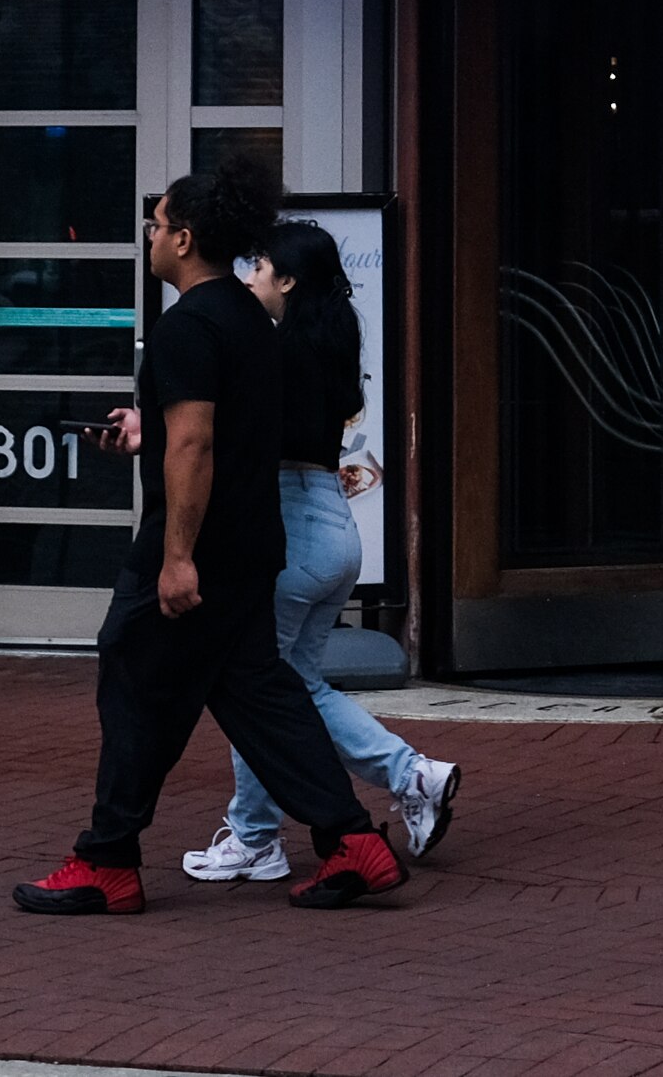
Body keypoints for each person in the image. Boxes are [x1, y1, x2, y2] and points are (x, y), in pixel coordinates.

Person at [14, 165, 411, 916]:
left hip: (197, 551)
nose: (152, 237)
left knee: (132, 680)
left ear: (186, 237)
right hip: (253, 546)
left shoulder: (189, 324)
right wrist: (146, 434)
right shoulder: (248, 320)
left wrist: (175, 558)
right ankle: (353, 841)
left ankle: (107, 858)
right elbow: (212, 431)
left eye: (158, 225)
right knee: (260, 695)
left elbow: (194, 443)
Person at [181, 218, 462, 884]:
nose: (248, 276)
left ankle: (257, 835)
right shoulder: (329, 343)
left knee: (257, 688)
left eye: (259, 266)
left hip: (292, 534)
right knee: (293, 684)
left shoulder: (274, 353)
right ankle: (407, 775)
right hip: (336, 528)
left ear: (287, 279)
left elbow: (235, 439)